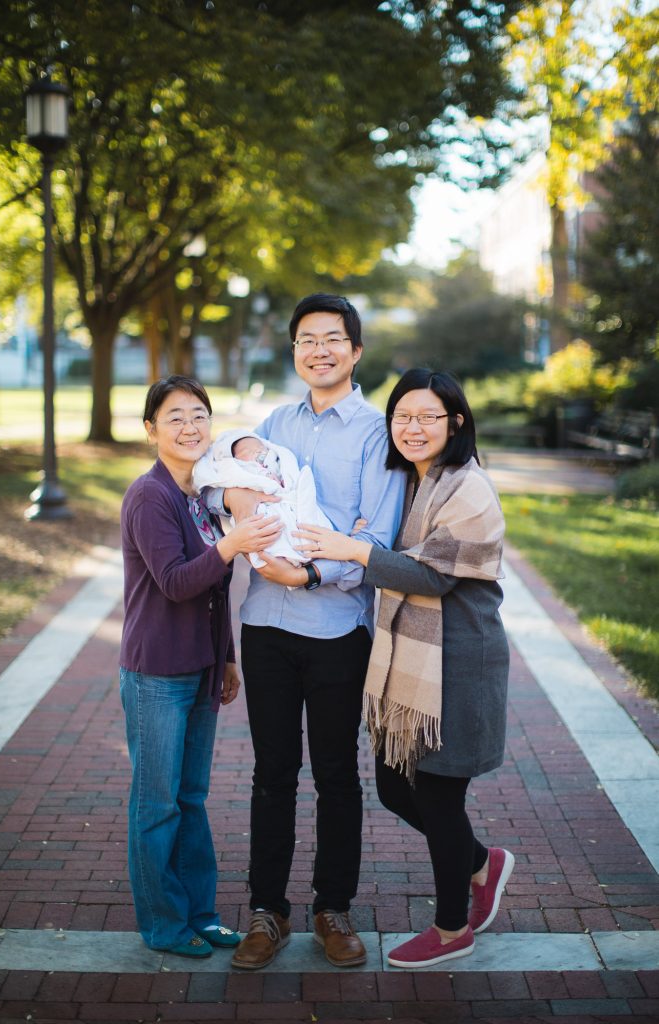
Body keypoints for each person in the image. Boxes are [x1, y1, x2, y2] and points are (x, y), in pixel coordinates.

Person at [207, 294, 406, 970]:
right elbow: (225, 485)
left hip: (336, 627)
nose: (317, 350)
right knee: (271, 773)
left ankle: (332, 908)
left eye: (331, 339)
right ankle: (267, 911)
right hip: (264, 623)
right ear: (294, 351)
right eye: (305, 340)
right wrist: (237, 497)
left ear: (353, 350)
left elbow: (375, 534)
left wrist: (314, 576)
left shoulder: (377, 432)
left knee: (335, 774)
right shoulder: (273, 424)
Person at [296, 368, 514, 970]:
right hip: (414, 665)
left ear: (456, 423)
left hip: (458, 663)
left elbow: (432, 576)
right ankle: (478, 863)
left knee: (441, 796)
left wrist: (351, 549)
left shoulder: (468, 489)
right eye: (403, 417)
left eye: (427, 417)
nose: (412, 428)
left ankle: (452, 931)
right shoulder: (413, 482)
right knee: (395, 785)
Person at [119, 374, 283, 957]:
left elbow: (217, 593)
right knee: (156, 803)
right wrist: (234, 544)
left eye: (198, 416)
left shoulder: (204, 494)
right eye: (174, 417)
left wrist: (228, 657)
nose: (189, 428)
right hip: (156, 674)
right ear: (150, 430)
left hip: (202, 667)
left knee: (191, 798)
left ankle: (202, 914)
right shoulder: (150, 495)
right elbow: (175, 583)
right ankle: (165, 924)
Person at [192, 427, 333, 569]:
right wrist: (231, 496)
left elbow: (286, 470)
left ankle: (305, 549)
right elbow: (210, 493)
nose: (255, 453)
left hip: (293, 501)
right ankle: (286, 552)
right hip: (267, 510)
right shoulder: (240, 467)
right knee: (270, 531)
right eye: (244, 452)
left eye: (258, 449)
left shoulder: (275, 458)